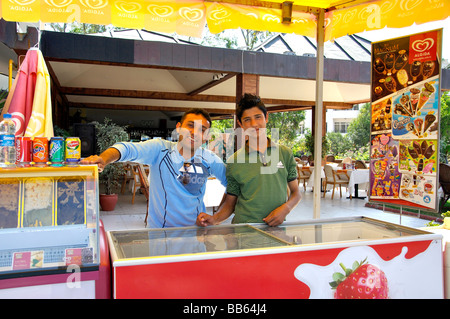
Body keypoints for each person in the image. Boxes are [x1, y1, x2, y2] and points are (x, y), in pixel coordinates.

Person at [81, 108, 227, 228]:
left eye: (202, 129)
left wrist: (216, 217)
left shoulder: (210, 159)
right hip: (160, 235)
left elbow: (233, 185)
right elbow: (127, 149)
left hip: (197, 234)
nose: (195, 132)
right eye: (190, 125)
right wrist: (104, 159)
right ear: (178, 128)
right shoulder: (160, 149)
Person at [197, 93, 301, 227]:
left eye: (258, 117)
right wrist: (214, 219)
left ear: (266, 117)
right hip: (244, 231)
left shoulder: (285, 153)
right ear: (240, 124)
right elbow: (230, 203)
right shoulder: (234, 161)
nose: (254, 124)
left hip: (277, 230)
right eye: (247, 120)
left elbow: (296, 193)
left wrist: (285, 209)